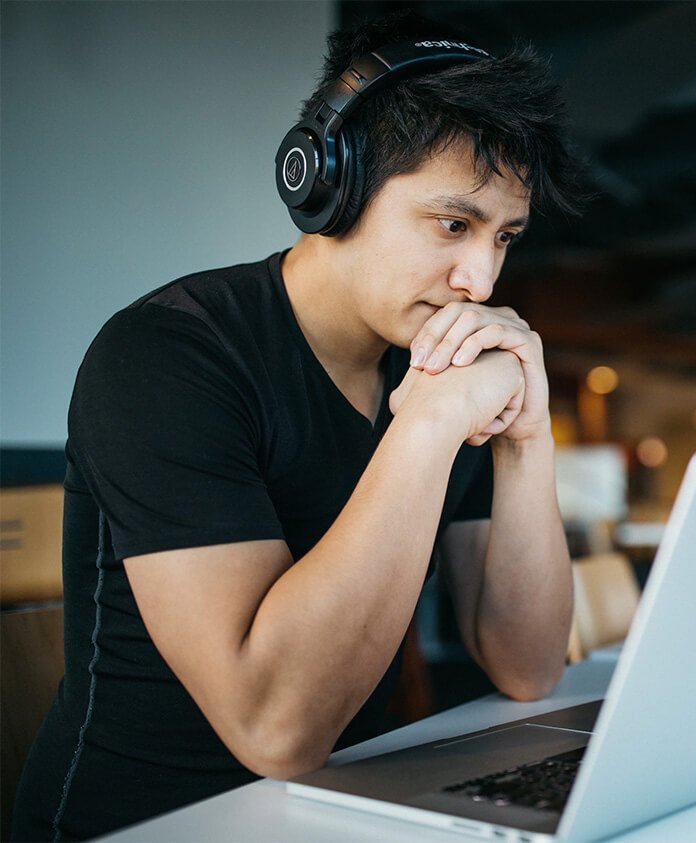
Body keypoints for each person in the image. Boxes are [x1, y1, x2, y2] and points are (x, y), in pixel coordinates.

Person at [13, 11, 582, 841]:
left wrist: (527, 440)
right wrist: (424, 427)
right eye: (453, 224)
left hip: (339, 810)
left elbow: (527, 668)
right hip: (149, 821)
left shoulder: (432, 362)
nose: (480, 276)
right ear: (329, 185)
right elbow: (274, 729)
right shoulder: (167, 356)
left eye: (506, 237)